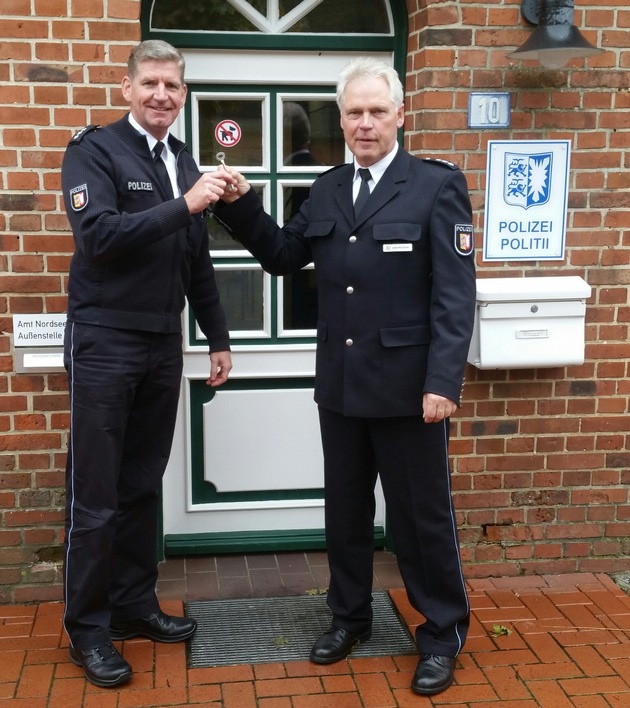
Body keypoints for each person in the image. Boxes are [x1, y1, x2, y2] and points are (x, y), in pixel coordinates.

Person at [214, 57, 476, 697]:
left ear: (400, 116)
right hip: (341, 383)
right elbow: (282, 257)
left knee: (421, 519)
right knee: (346, 514)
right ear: (342, 117)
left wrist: (443, 382)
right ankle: (349, 618)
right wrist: (244, 204)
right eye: (354, 112)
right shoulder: (328, 188)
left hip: (413, 392)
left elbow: (454, 296)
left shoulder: (435, 186)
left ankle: (440, 634)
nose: (365, 123)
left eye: (377, 111)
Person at [60, 40, 233, 688]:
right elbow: (99, 238)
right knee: (96, 496)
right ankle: (89, 630)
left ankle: (133, 605)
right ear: (128, 87)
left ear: (183, 95)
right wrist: (185, 203)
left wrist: (216, 335)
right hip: (105, 342)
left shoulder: (182, 159)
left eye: (173, 86)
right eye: (151, 82)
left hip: (164, 343)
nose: (162, 94)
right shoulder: (94, 151)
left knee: (140, 487)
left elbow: (197, 260)